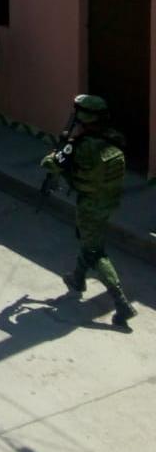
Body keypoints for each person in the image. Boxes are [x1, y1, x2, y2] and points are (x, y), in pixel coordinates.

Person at [40, 94, 136, 327]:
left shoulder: (79, 145)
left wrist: (56, 152)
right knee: (89, 239)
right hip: (109, 201)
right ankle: (77, 278)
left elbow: (51, 164)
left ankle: (122, 303)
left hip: (90, 204)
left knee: (95, 252)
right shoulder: (113, 138)